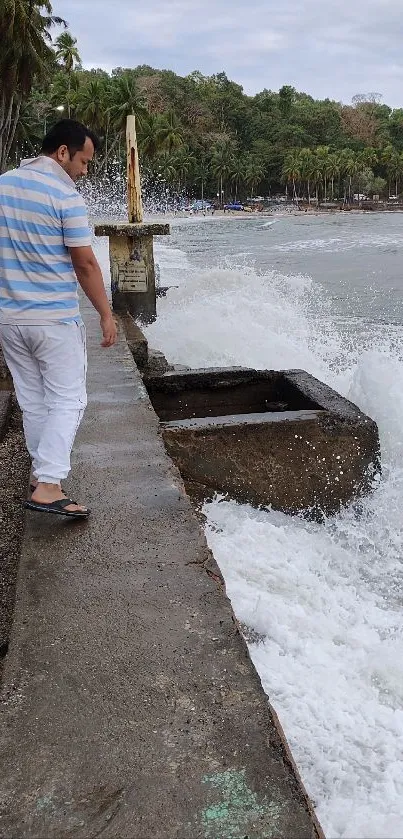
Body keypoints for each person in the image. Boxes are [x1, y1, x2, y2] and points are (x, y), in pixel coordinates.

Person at [0, 119, 117, 518]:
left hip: (9, 318)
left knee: (34, 401)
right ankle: (49, 485)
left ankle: (41, 476)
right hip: (52, 319)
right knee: (69, 399)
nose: (84, 171)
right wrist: (106, 313)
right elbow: (84, 264)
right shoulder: (65, 196)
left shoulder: (3, 184)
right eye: (83, 161)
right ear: (62, 152)